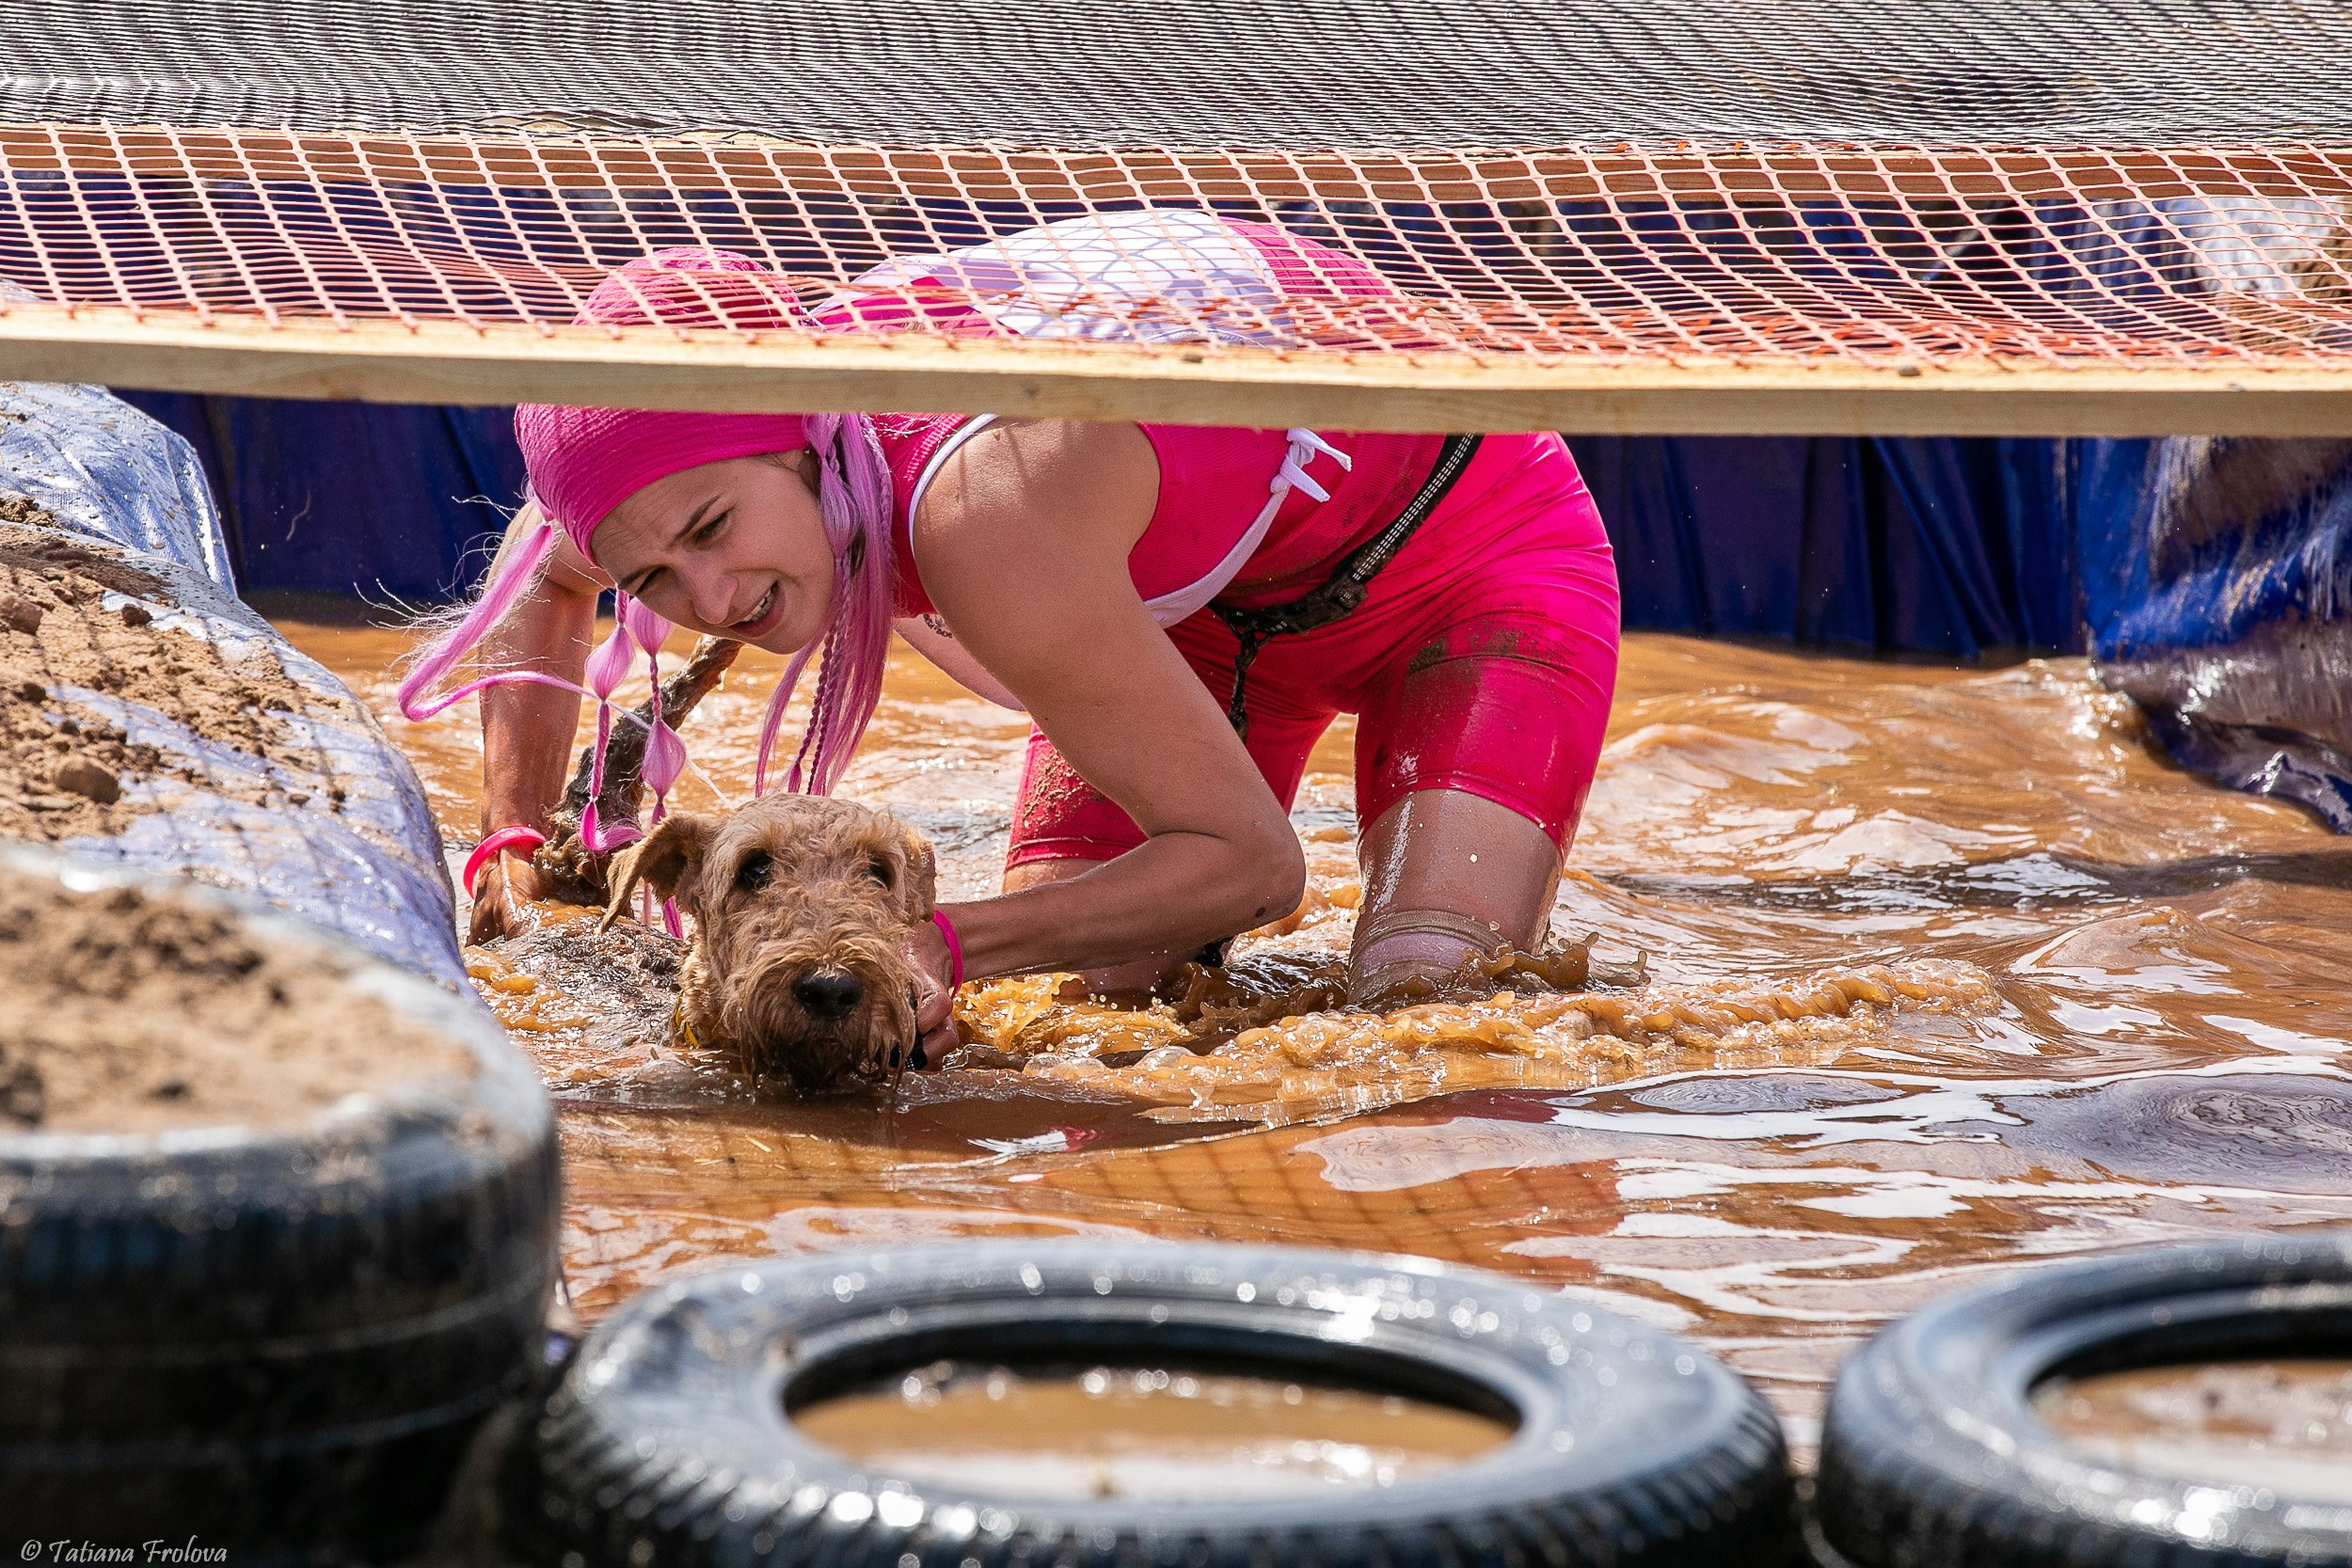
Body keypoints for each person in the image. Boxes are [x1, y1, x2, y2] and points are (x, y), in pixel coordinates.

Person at [403, 210, 1619, 1057]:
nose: (713, 598)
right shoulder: (674, 439)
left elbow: (1256, 866)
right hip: (1195, 614)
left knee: (1429, 1025)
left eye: (717, 532)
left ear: (808, 434)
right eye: (655, 579)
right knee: (1089, 1019)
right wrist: (512, 839)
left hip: (1473, 561)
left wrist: (937, 943)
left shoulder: (984, 513)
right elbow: (543, 587)